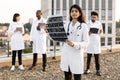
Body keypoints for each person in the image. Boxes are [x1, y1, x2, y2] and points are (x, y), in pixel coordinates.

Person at [60, 4, 89, 80]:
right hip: (66, 54)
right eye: (72, 11)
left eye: (76, 11)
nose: (74, 13)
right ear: (70, 13)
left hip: (76, 55)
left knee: (77, 77)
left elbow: (86, 43)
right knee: (67, 76)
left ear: (79, 13)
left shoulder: (83, 26)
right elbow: (58, 37)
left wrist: (74, 44)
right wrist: (47, 31)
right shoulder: (66, 25)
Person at [84, 11, 103, 76]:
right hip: (90, 42)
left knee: (97, 57)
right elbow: (85, 32)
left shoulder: (99, 23)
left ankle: (98, 70)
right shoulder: (87, 23)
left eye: (95, 17)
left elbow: (101, 33)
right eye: (93, 17)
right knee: (88, 57)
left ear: (96, 17)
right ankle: (87, 69)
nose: (94, 18)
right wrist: (88, 33)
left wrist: (100, 32)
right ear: (91, 17)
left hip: (96, 42)